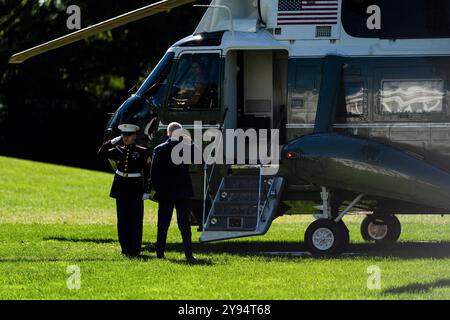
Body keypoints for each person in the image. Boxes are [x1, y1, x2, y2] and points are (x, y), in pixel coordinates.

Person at [98, 124, 151, 257]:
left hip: (135, 188)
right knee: (122, 220)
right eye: (124, 135)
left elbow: (147, 172)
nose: (125, 138)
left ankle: (135, 249)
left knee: (135, 219)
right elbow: (101, 154)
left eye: (128, 135)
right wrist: (112, 141)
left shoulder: (142, 151)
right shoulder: (118, 150)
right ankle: (125, 249)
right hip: (121, 188)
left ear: (134, 136)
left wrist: (147, 190)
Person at [150, 122, 197, 263]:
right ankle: (189, 254)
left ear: (167, 133)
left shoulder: (159, 149)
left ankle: (160, 253)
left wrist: (159, 188)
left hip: (165, 192)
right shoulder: (187, 148)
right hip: (183, 191)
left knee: (163, 224)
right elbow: (201, 159)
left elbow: (153, 174)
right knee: (184, 225)